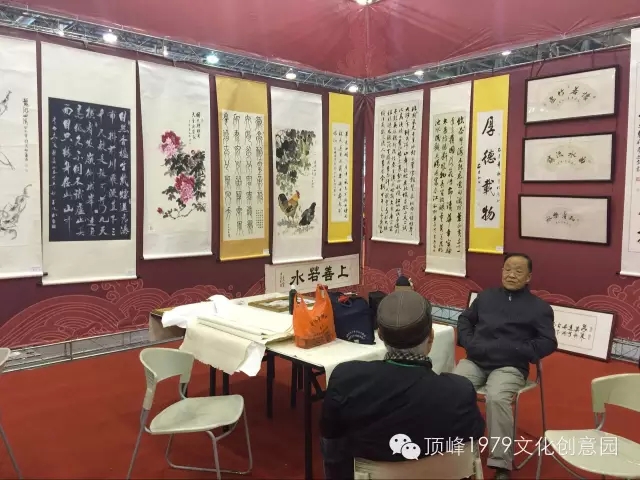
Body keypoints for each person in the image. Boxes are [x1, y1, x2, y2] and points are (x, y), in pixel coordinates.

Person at [320, 290, 486, 480]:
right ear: (431, 337)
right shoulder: (460, 391)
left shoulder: (346, 379)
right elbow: (473, 437)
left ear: (380, 335)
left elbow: (330, 436)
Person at [454, 253, 557, 480]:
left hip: (509, 366)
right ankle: (455, 451)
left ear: (528, 277)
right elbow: (465, 320)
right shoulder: (486, 297)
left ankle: (501, 464)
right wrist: (469, 342)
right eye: (507, 269)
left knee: (497, 397)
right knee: (452, 389)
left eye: (518, 271)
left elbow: (548, 342)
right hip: (476, 361)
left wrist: (517, 350)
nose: (511, 274)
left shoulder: (538, 307)